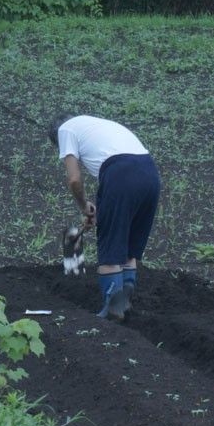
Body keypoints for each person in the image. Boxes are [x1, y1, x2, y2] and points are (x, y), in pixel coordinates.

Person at [49, 114, 160, 320]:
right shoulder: (93, 125)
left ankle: (111, 311)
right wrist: (96, 210)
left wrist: (84, 206)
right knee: (128, 249)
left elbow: (74, 180)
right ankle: (124, 306)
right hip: (150, 174)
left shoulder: (65, 130)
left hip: (120, 173)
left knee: (110, 247)